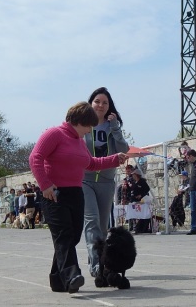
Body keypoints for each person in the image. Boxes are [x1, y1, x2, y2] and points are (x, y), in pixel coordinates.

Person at [28, 101, 127, 294]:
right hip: (54, 194)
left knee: (72, 237)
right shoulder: (54, 134)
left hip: (75, 193)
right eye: (89, 126)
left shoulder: (79, 142)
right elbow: (35, 158)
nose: (90, 131)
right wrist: (45, 185)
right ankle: (72, 275)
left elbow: (90, 163)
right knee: (63, 235)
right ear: (79, 121)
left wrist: (115, 159)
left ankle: (58, 281)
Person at [82, 87, 129, 278]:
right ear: (90, 103)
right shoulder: (82, 125)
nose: (101, 105)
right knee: (91, 222)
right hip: (84, 180)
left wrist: (116, 128)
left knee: (102, 226)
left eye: (105, 102)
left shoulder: (112, 127)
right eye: (97, 101)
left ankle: (101, 260)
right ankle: (96, 267)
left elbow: (123, 149)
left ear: (109, 107)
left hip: (106, 181)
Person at [130, 169, 151, 234]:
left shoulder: (142, 181)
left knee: (143, 214)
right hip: (134, 201)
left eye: (133, 175)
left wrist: (141, 195)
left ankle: (142, 228)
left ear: (136, 175)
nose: (132, 176)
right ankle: (137, 227)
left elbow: (147, 189)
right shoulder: (134, 182)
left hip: (141, 201)